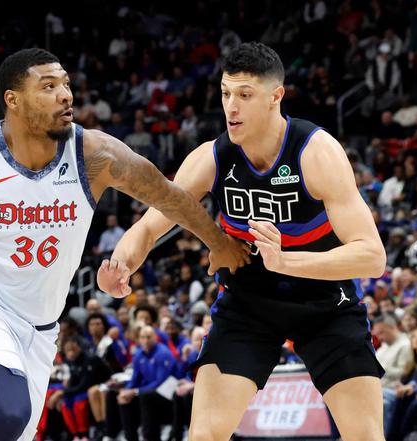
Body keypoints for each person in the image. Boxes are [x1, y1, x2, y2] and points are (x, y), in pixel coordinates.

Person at [0, 48, 248, 441]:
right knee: (8, 414)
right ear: (13, 100)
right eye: (48, 86)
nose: (65, 94)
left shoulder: (95, 155)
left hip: (41, 324)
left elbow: (168, 195)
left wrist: (218, 243)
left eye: (65, 84)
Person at [99, 42, 387, 441]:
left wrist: (285, 261)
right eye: (225, 93)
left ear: (275, 97)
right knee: (204, 435)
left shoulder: (316, 153)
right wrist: (122, 265)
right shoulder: (211, 157)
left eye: (245, 95)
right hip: (248, 304)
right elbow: (149, 226)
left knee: (366, 436)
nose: (231, 107)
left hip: (325, 302)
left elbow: (372, 257)